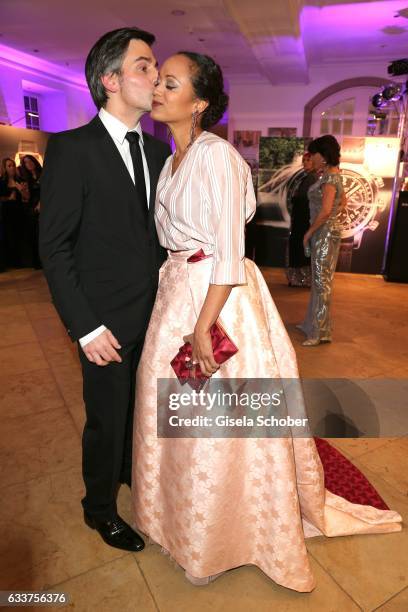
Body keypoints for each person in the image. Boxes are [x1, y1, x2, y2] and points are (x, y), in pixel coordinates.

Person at [130, 53, 401, 591]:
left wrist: (203, 326)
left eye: (170, 82)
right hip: (176, 294)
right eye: (157, 80)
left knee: (217, 420)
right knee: (177, 411)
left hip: (217, 299)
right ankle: (178, 521)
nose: (157, 88)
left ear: (200, 102)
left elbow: (229, 252)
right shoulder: (171, 159)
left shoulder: (218, 157)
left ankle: (221, 535)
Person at [40, 27, 171, 553]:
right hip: (104, 323)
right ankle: (99, 509)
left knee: (141, 412)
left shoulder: (161, 154)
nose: (155, 75)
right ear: (110, 80)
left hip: (157, 316)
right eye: (144, 66)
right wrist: (85, 326)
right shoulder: (73, 149)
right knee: (106, 419)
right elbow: (55, 249)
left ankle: (129, 474)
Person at [298, 135, 346, 346]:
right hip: (326, 232)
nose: (312, 158)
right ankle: (313, 324)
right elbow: (342, 202)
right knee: (320, 281)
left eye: (314, 154)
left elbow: (326, 211)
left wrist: (309, 232)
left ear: (324, 156)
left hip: (324, 234)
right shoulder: (331, 175)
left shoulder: (330, 178)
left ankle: (319, 332)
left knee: (321, 282)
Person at [285, 152, 316, 287]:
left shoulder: (311, 178)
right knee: (299, 249)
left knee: (301, 249)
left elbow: (304, 200)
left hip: (303, 221)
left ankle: (302, 279)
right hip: (301, 220)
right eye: (304, 160)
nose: (305, 163)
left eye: (308, 160)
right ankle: (301, 278)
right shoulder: (307, 178)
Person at [0, 157, 26, 268]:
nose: (11, 168)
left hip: (19, 211)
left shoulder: (20, 180)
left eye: (13, 165)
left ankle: (19, 262)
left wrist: (21, 189)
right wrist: (8, 198)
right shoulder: (1, 182)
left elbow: (26, 198)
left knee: (19, 235)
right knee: (8, 236)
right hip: (6, 212)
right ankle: (10, 262)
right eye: (9, 166)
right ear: (5, 168)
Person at [19, 154, 42, 268]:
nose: (29, 164)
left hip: (44, 204)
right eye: (26, 162)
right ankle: (37, 262)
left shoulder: (44, 173)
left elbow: (49, 190)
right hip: (32, 207)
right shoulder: (25, 179)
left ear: (34, 161)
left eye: (30, 161)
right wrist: (23, 191)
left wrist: (41, 203)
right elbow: (27, 198)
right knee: (34, 234)